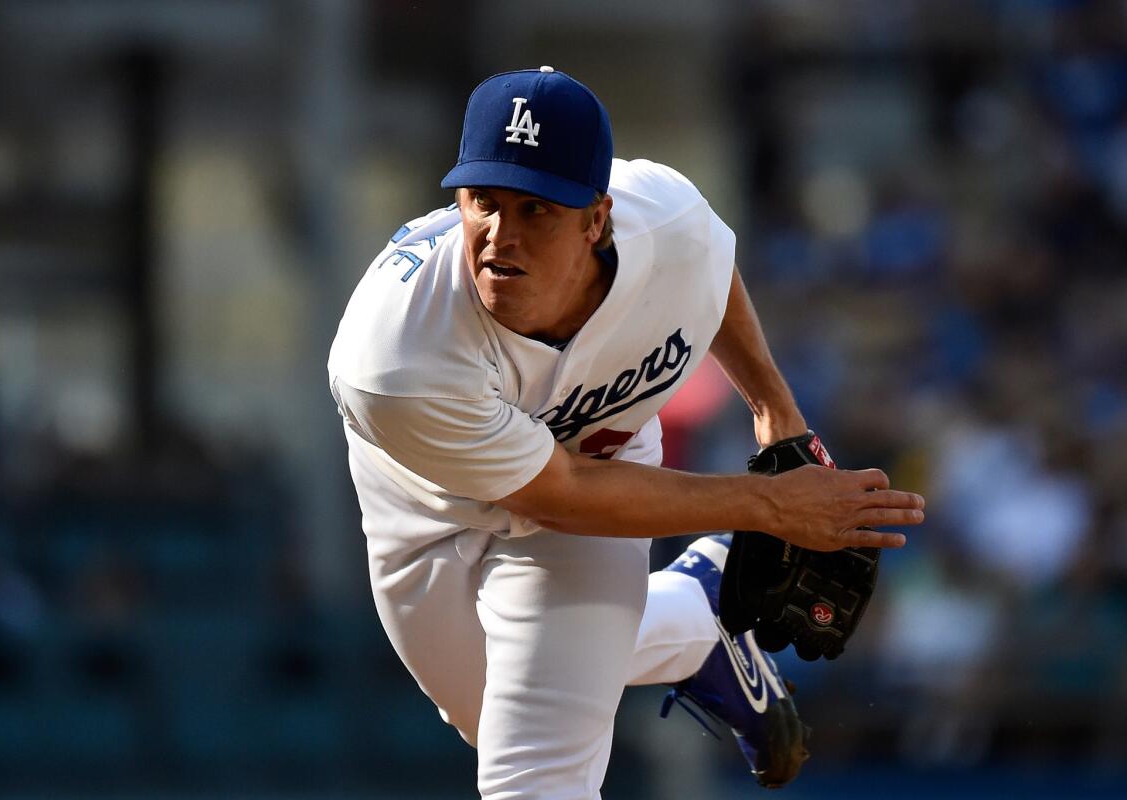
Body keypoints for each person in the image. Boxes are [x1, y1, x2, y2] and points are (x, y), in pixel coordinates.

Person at [328, 66, 925, 799]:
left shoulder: (665, 218)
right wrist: (770, 506)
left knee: (531, 764)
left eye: (537, 209)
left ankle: (680, 624)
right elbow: (558, 494)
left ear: (597, 219)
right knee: (491, 714)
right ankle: (696, 614)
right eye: (484, 201)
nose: (500, 234)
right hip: (427, 502)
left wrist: (777, 415)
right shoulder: (397, 357)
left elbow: (706, 266)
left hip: (595, 461)